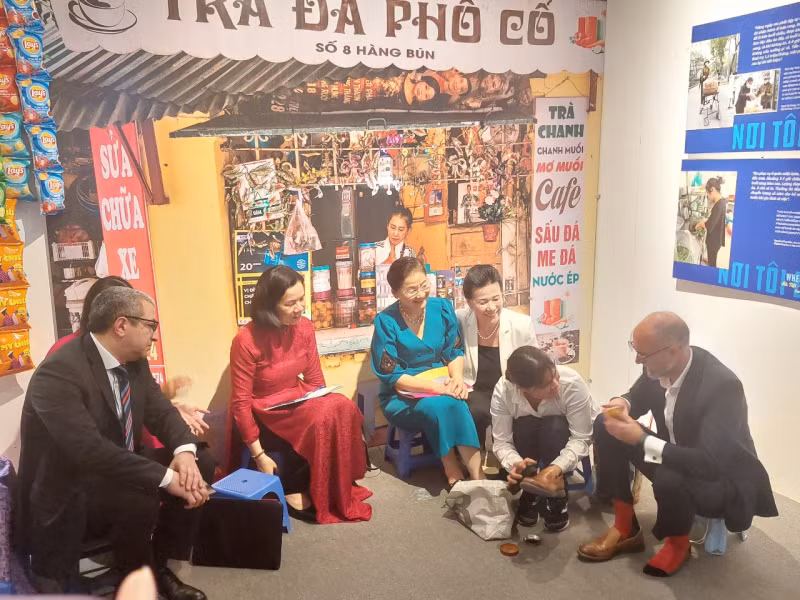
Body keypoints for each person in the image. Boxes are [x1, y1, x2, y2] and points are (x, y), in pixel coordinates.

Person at [16, 287, 214, 598]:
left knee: (203, 460)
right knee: (143, 496)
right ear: (121, 326)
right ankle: (131, 578)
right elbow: (89, 450)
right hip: (70, 486)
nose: (154, 335)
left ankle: (154, 566)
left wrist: (184, 454)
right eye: (150, 325)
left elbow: (161, 412)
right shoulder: (59, 371)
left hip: (114, 466)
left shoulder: (134, 361)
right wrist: (167, 478)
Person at [577, 312, 777, 577]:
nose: (637, 359)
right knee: (605, 424)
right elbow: (638, 395)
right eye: (634, 350)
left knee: (670, 478)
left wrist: (641, 439)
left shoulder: (723, 386)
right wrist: (622, 403)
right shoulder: (659, 364)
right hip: (673, 453)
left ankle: (678, 544)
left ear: (672, 350)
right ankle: (625, 526)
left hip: (719, 477)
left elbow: (709, 463)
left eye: (643, 354)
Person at [228, 266, 372, 524]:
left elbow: (315, 378)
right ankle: (307, 491)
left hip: (297, 397)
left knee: (343, 407)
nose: (300, 308)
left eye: (301, 300)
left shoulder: (304, 326)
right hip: (266, 410)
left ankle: (333, 487)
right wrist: (259, 455)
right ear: (269, 305)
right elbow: (240, 403)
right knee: (324, 415)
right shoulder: (245, 340)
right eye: (290, 303)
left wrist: (326, 400)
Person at [370, 257, 483, 487]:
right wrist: (438, 388)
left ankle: (478, 476)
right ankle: (452, 468)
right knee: (444, 403)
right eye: (412, 289)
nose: (421, 294)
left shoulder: (441, 308)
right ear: (395, 292)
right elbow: (392, 376)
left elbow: (453, 350)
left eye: (424, 285)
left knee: (455, 399)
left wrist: (457, 379)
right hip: (400, 395)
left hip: (440, 381)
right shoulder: (386, 321)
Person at [48, 276, 209, 436]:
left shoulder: (133, 355)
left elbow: (139, 402)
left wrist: (171, 409)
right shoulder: (66, 355)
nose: (154, 336)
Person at [493, 346, 598, 532]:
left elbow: (581, 438)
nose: (555, 384)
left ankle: (557, 491)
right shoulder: (504, 390)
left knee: (554, 426)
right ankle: (531, 486)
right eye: (546, 385)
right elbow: (501, 441)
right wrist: (518, 466)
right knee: (524, 425)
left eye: (555, 374)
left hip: (560, 435)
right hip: (527, 438)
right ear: (523, 389)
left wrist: (554, 469)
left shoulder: (572, 383)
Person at [456, 265, 536, 446]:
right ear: (469, 302)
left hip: (510, 389)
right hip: (473, 389)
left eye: (496, 299)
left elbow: (534, 366)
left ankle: (507, 460)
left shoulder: (521, 324)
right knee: (473, 409)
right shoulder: (459, 320)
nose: (491, 307)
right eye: (483, 302)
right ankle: (472, 461)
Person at [695, 177, 728, 268]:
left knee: (712, 262)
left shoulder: (718, 206)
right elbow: (715, 220)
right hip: (717, 238)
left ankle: (711, 268)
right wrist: (706, 220)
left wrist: (701, 223)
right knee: (712, 257)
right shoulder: (722, 201)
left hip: (714, 241)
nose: (708, 197)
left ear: (712, 190)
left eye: (707, 194)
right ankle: (710, 261)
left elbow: (710, 226)